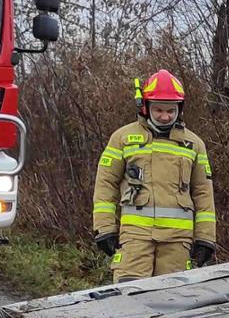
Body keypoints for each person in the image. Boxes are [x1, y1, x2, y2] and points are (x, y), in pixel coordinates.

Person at [91, 70, 217, 282]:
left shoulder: (194, 145)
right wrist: (104, 228)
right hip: (135, 236)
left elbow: (204, 193)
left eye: (170, 110)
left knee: (174, 298)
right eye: (158, 110)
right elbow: (106, 185)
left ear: (180, 108)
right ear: (145, 106)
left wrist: (205, 238)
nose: (165, 116)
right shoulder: (122, 139)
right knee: (129, 294)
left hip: (177, 242)